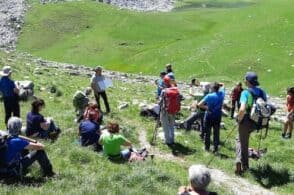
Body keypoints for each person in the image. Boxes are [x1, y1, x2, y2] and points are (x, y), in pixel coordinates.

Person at [235, 72, 267, 175]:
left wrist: (239, 119)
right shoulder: (262, 92)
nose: (244, 81)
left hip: (246, 120)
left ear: (248, 81)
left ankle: (242, 164)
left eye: (245, 79)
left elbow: (242, 109)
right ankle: (244, 163)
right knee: (244, 139)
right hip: (257, 122)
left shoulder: (245, 93)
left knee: (240, 140)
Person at [198, 82, 224, 153]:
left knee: (207, 132)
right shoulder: (222, 94)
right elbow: (223, 87)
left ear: (212, 88)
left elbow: (199, 104)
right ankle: (215, 148)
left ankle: (207, 147)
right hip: (218, 116)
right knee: (216, 132)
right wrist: (221, 85)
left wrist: (207, 108)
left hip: (209, 116)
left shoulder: (209, 96)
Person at [159, 75, 180, 145]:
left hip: (165, 111)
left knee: (165, 126)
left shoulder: (164, 91)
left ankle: (168, 141)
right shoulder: (176, 90)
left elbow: (160, 102)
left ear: (165, 83)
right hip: (173, 111)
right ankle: (172, 140)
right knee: (171, 126)